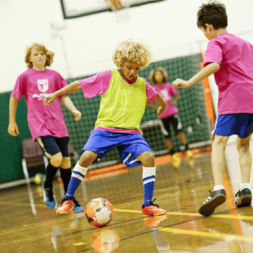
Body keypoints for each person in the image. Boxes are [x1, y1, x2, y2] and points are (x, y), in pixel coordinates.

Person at [44, 39, 167, 216]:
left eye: (137, 68)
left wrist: (162, 106)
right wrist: (56, 93)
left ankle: (148, 205)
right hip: (105, 130)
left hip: (131, 133)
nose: (132, 71)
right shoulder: (108, 77)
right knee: (86, 156)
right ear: (120, 62)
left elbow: (155, 96)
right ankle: (68, 198)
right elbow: (79, 84)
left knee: (149, 157)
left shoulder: (142, 84)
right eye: (128, 67)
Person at [172, 1, 253, 216]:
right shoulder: (246, 43)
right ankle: (245, 187)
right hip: (252, 98)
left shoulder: (216, 42)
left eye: (203, 31)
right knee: (244, 144)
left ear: (208, 26)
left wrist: (189, 82)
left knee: (219, 143)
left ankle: (218, 188)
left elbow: (214, 65)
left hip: (233, 98)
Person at [8, 43, 84, 212]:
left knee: (65, 163)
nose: (40, 57)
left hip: (58, 123)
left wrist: (74, 110)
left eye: (42, 54)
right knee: (56, 158)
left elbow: (63, 96)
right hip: (39, 124)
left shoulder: (54, 75)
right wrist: (12, 122)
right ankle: (47, 186)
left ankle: (69, 199)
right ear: (30, 58)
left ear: (46, 56)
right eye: (36, 54)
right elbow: (14, 98)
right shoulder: (25, 76)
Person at [147, 67, 193, 162]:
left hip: (173, 113)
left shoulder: (168, 86)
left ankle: (188, 149)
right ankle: (173, 154)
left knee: (179, 131)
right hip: (162, 116)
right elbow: (147, 102)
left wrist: (174, 101)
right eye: (156, 75)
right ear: (153, 77)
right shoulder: (153, 89)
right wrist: (156, 107)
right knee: (167, 135)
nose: (159, 76)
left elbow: (176, 94)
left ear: (163, 76)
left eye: (160, 74)